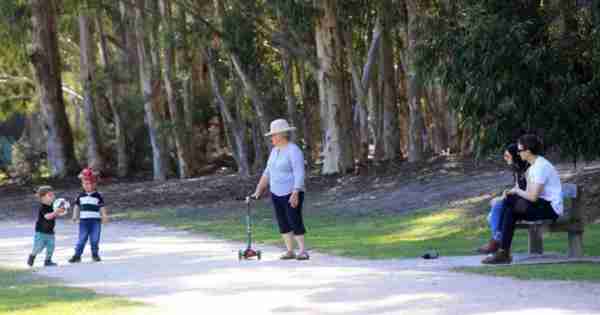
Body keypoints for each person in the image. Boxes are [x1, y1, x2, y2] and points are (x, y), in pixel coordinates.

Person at [483, 134, 563, 264]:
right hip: (540, 204)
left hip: (551, 209)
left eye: (520, 150)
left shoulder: (540, 167)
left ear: (528, 151)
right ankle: (503, 252)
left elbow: (532, 196)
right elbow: (529, 194)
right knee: (510, 210)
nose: (518, 153)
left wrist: (516, 191)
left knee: (509, 201)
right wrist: (514, 193)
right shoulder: (533, 166)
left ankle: (498, 242)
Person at [252, 119, 309, 260]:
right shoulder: (274, 151)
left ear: (282, 135)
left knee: (294, 219)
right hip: (276, 192)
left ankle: (302, 251)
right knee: (282, 221)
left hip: (291, 192)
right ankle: (290, 251)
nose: (271, 138)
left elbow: (299, 173)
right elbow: (267, 172)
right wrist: (258, 190)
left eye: (273, 135)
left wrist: (296, 192)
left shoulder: (293, 150)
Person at [477, 144, 529, 254]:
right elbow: (517, 188)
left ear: (515, 156)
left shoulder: (528, 169)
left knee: (497, 207)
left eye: (507, 156)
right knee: (497, 205)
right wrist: (503, 195)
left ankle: (496, 241)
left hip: (527, 205)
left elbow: (526, 192)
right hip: (519, 202)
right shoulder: (517, 170)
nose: (505, 159)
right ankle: (496, 240)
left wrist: (503, 198)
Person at [68, 168, 109, 263]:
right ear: (82, 184)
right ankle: (77, 255)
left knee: (95, 239)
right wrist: (75, 216)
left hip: (95, 222)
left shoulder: (97, 196)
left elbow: (101, 207)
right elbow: (76, 206)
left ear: (95, 184)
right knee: (81, 239)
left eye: (91, 183)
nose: (89, 186)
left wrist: (104, 216)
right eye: (86, 184)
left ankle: (95, 255)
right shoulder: (80, 196)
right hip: (83, 222)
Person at [27, 186, 66, 267]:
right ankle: (32, 255)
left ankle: (48, 260)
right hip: (41, 232)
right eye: (50, 195)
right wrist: (56, 212)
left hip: (50, 231)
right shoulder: (43, 207)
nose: (53, 197)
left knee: (51, 246)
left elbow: (57, 213)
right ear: (42, 197)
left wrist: (61, 210)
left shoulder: (53, 206)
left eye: (53, 195)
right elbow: (47, 216)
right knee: (39, 247)